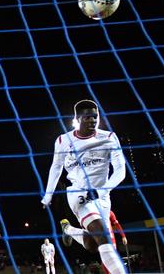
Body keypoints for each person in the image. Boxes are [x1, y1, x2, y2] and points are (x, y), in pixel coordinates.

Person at [41, 100, 126, 274]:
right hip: (78, 194)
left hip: (102, 196)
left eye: (95, 117)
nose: (92, 120)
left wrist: (103, 190)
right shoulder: (64, 140)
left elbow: (121, 171)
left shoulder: (109, 138)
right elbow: (56, 168)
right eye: (87, 117)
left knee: (93, 246)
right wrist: (48, 195)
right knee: (103, 237)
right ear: (77, 119)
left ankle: (69, 230)